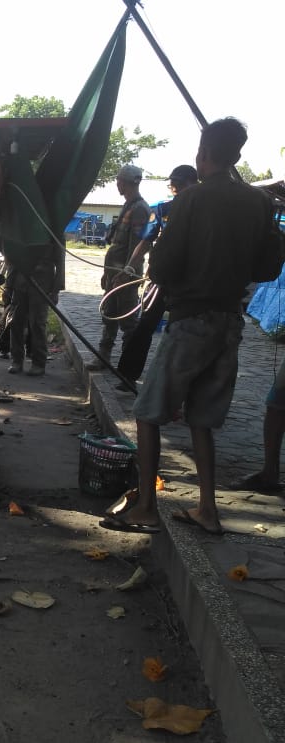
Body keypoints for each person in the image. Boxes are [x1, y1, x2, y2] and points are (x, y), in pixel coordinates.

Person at [104, 117, 284, 535]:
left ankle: (147, 506)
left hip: (190, 321)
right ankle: (208, 509)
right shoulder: (260, 204)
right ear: (238, 155)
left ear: (202, 154)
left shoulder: (188, 202)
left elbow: (163, 267)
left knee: (148, 413)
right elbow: (270, 266)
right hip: (230, 323)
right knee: (202, 418)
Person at [113, 165, 200, 390]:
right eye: (174, 185)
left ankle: (182, 385)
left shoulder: (207, 210)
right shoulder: (163, 209)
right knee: (145, 325)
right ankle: (127, 375)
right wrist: (129, 268)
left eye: (181, 185)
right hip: (161, 277)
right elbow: (145, 241)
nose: (177, 189)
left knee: (185, 332)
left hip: (192, 281)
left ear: (194, 183)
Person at [85, 165, 150, 370]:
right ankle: (103, 357)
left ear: (129, 182)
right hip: (114, 273)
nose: (117, 184)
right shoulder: (128, 206)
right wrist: (108, 273)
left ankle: (127, 365)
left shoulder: (139, 209)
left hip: (125, 276)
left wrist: (126, 274)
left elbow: (137, 247)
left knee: (128, 321)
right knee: (109, 314)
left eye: (120, 180)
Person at [5, 241, 64, 377]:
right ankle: (17, 360)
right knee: (16, 323)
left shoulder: (54, 232)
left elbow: (60, 264)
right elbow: (13, 261)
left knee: (37, 324)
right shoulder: (23, 230)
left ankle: (38, 363)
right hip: (20, 283)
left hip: (42, 285)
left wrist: (55, 290)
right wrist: (8, 287)